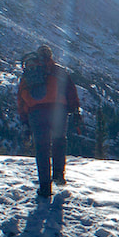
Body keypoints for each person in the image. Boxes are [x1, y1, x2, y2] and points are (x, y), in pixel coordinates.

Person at [17, 45, 80, 198]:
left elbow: (21, 99)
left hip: (36, 113)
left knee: (42, 149)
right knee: (59, 141)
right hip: (58, 111)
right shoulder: (58, 70)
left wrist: (25, 120)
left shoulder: (29, 73)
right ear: (50, 55)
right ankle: (58, 175)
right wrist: (75, 109)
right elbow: (70, 90)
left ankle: (45, 187)